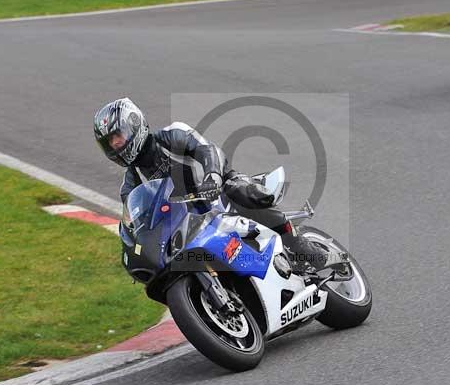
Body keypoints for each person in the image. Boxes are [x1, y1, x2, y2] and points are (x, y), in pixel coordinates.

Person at [93, 97, 330, 275]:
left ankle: (303, 247)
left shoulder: (172, 135)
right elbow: (136, 224)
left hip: (218, 193)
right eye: (109, 144)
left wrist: (213, 176)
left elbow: (207, 149)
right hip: (186, 225)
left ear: (134, 125)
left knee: (240, 191)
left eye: (118, 137)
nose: (116, 146)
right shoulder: (130, 185)